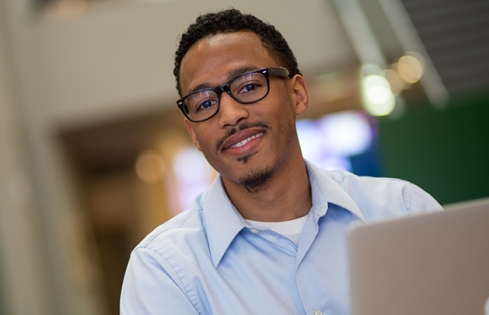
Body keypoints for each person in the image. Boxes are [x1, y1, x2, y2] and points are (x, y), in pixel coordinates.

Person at [120, 8, 441, 315]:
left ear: (297, 93)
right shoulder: (164, 271)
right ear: (193, 132)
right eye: (205, 103)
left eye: (248, 86)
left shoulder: (402, 211)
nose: (230, 115)